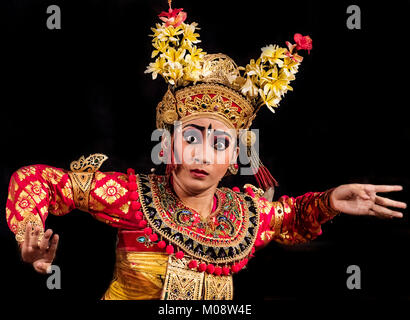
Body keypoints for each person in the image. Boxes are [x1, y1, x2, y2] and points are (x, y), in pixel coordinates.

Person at [5, 2, 407, 300]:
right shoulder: (132, 198)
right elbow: (37, 179)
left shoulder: (246, 215)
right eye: (192, 137)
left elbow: (292, 218)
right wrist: (29, 233)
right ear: (168, 145)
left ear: (235, 159)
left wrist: (331, 200)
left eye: (220, 143)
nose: (202, 155)